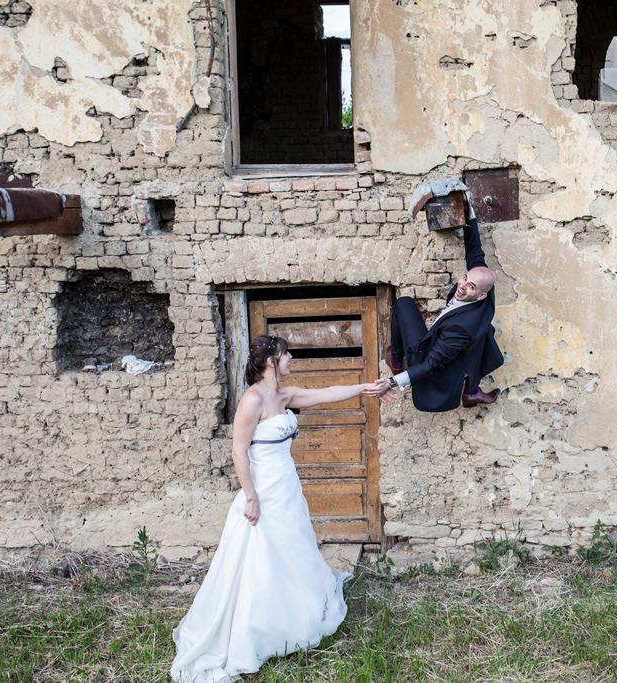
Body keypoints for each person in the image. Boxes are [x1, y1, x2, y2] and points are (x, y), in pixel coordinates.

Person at [170, 335, 388, 682]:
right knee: (262, 557)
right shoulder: (252, 401)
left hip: (287, 488)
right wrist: (251, 497)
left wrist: (364, 387)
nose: (291, 360)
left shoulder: (284, 396)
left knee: (292, 549)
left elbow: (327, 393)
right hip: (263, 492)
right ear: (272, 361)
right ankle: (259, 628)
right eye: (287, 355)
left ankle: (296, 613)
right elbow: (238, 452)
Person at [381, 213, 504, 411]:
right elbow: (474, 251)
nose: (462, 286)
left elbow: (431, 364)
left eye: (471, 287)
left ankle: (396, 362)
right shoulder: (483, 293)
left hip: (425, 357)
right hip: (459, 335)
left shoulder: (460, 329)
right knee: (485, 330)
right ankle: (471, 390)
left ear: (482, 295)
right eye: (465, 279)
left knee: (403, 304)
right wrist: (470, 213)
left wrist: (393, 381)